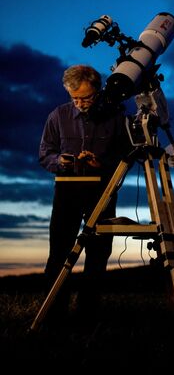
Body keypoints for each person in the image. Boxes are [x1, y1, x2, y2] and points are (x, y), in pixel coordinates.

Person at [39, 64, 128, 322]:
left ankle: (87, 315)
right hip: (67, 191)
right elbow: (45, 154)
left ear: (98, 91)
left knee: (98, 254)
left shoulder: (115, 117)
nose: (80, 103)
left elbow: (126, 155)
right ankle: (53, 315)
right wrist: (61, 162)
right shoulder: (57, 116)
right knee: (59, 252)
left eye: (86, 98)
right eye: (74, 98)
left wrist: (103, 165)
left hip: (103, 192)